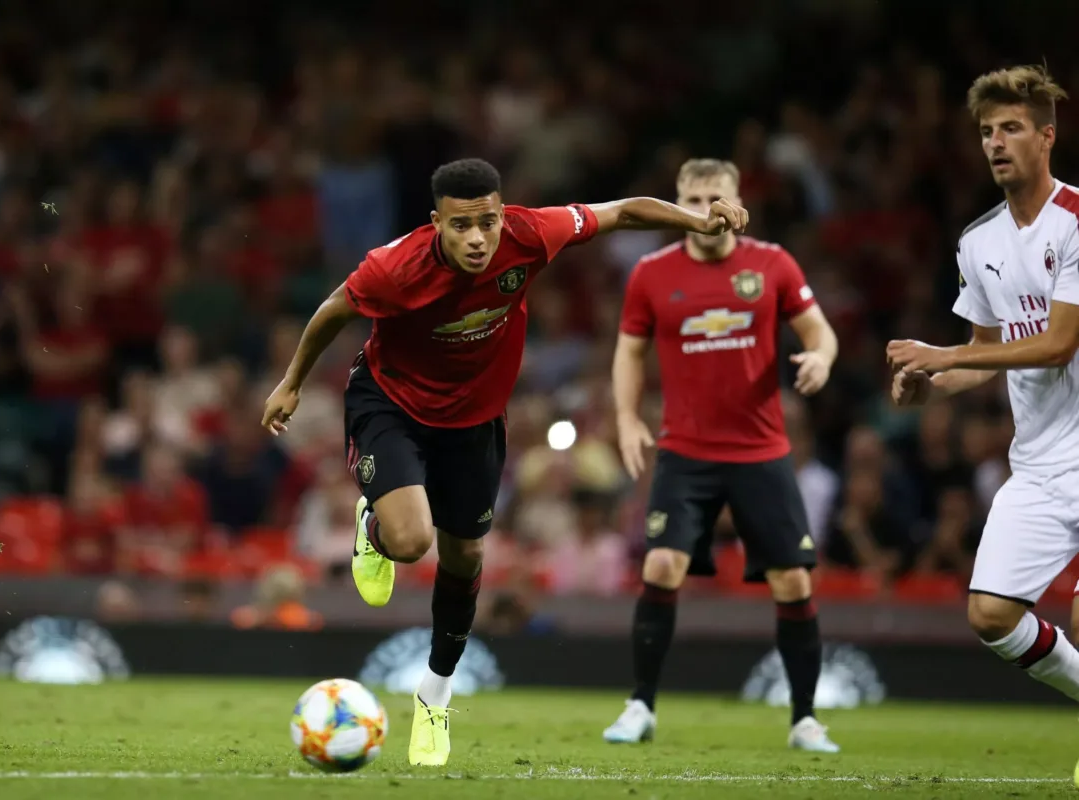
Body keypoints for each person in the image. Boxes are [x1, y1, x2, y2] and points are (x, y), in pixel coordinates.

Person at [261, 157, 748, 767]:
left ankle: (435, 694)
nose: (478, 238)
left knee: (465, 556)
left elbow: (623, 212)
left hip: (474, 421)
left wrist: (696, 222)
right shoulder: (394, 269)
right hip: (392, 404)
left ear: (500, 215)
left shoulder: (529, 233)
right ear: (436, 222)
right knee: (411, 542)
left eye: (487, 222)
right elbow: (335, 308)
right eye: (461, 225)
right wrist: (291, 382)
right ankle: (376, 528)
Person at [601, 159, 840, 752]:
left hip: (761, 450)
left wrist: (820, 358)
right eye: (693, 197)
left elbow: (819, 330)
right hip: (685, 451)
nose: (706, 207)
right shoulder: (652, 273)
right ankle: (640, 706)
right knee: (661, 566)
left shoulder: (773, 264)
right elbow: (629, 351)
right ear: (677, 203)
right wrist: (627, 418)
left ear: (738, 202)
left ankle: (805, 719)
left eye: (716, 195)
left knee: (793, 579)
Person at [889, 65, 1079, 743]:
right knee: (991, 615)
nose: (996, 142)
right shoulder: (978, 242)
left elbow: (1057, 345)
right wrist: (928, 380)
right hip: (1041, 466)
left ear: (1046, 137)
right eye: (987, 131)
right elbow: (984, 351)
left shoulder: (1076, 222)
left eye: (1012, 128)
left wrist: (947, 356)